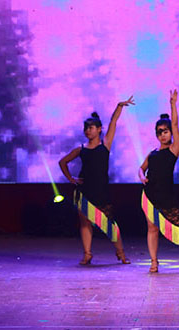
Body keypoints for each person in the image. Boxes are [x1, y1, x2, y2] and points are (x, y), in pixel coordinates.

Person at [58, 97, 135, 265]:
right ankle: (87, 254)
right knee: (85, 223)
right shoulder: (81, 149)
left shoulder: (105, 144)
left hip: (101, 191)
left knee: (110, 223)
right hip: (84, 191)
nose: (87, 131)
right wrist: (71, 179)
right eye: (86, 128)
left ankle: (121, 253)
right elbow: (62, 162)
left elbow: (113, 122)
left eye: (91, 128)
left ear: (99, 129)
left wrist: (119, 106)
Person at [139, 90, 179, 273]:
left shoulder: (174, 149)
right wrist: (142, 177)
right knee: (152, 229)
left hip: (166, 196)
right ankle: (154, 262)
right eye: (159, 132)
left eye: (165, 131)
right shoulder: (152, 153)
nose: (163, 135)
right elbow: (141, 168)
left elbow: (175, 124)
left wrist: (173, 105)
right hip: (150, 195)